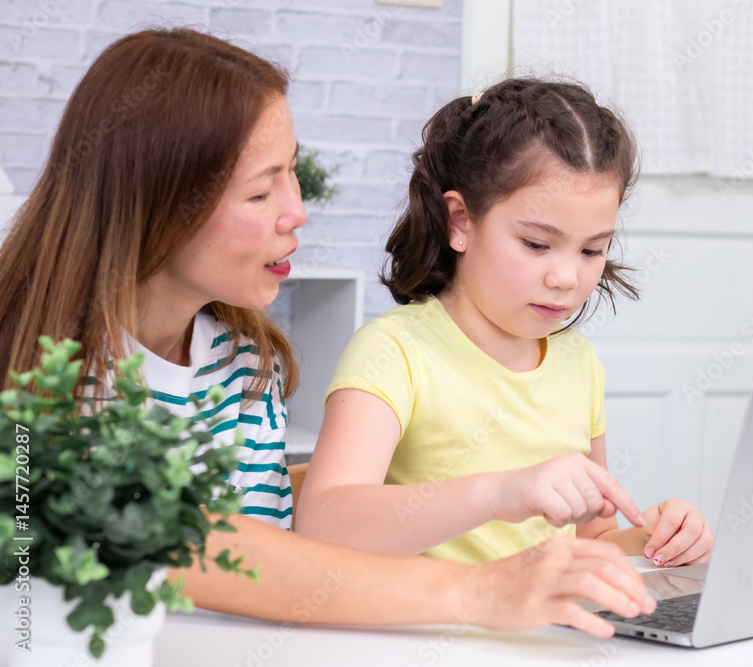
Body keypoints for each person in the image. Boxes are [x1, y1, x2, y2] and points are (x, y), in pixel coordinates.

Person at [0, 28, 657, 637]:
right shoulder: (49, 381)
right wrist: (478, 586)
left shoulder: (239, 359)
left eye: (293, 171)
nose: (297, 212)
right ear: (159, 202)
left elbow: (265, 522)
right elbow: (191, 544)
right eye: (261, 192)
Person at [295, 79, 714, 567]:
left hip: (543, 615)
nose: (566, 277)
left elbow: (591, 540)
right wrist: (499, 493)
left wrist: (654, 542)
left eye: (592, 250)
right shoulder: (395, 352)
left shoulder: (577, 363)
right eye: (537, 244)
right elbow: (322, 526)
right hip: (431, 614)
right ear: (460, 222)